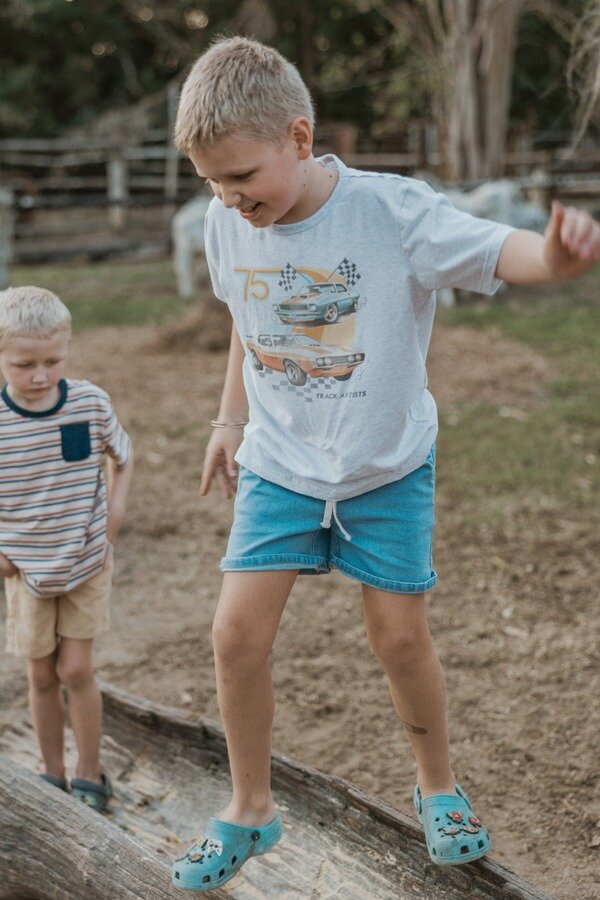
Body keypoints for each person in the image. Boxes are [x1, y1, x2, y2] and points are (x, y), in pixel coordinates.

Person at [170, 36, 600, 891]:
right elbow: (250, 320)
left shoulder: (390, 211)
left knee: (399, 638)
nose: (229, 199)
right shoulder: (227, 222)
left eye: (242, 177)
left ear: (298, 138)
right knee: (233, 637)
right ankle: (251, 808)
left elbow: (491, 248)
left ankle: (439, 788)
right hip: (280, 463)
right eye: (213, 183)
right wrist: (228, 419)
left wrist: (552, 259)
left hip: (386, 465)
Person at [0, 286, 133, 811]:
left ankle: (89, 773)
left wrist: (112, 520)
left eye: (52, 361)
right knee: (39, 673)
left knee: (76, 669)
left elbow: (123, 457)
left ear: (67, 348)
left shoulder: (89, 403)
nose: (40, 375)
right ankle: (52, 774)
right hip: (24, 568)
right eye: (24, 364)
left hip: (86, 559)